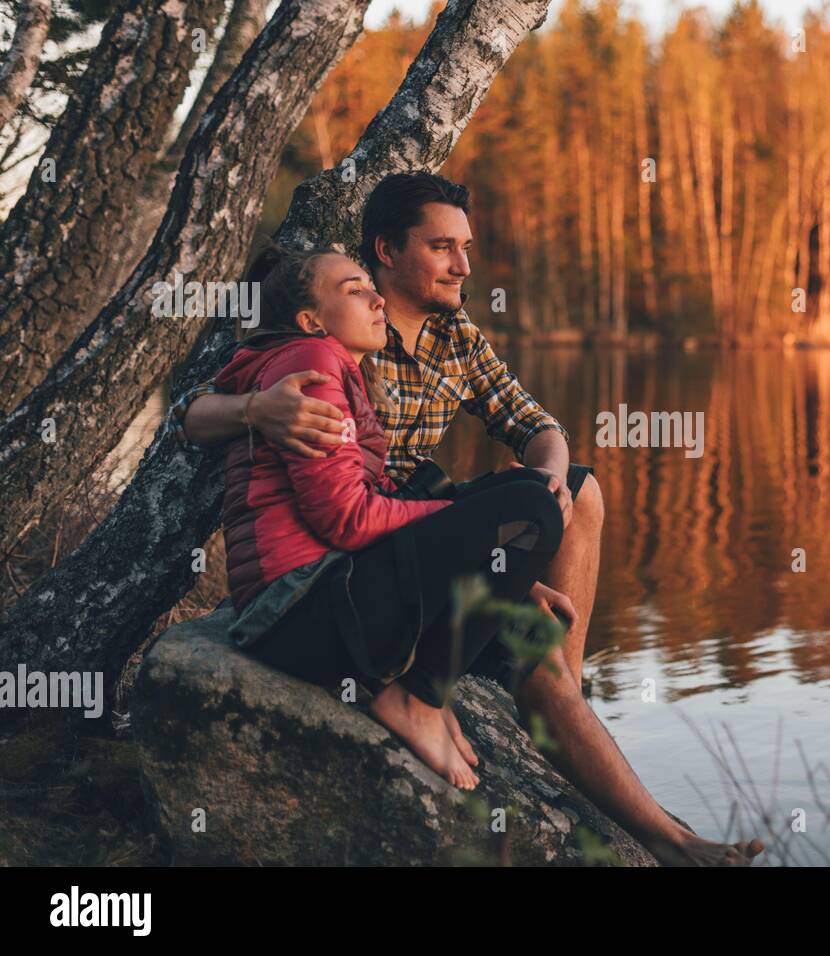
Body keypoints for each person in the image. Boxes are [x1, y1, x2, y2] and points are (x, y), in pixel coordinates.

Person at [171, 173, 763, 865]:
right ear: (388, 251)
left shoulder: (454, 338)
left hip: (407, 523)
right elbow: (195, 410)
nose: (465, 265)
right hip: (370, 546)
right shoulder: (328, 330)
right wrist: (255, 409)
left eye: (468, 247)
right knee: (517, 521)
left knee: (576, 492)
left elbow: (534, 423)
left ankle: (600, 748)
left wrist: (545, 485)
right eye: (445, 247)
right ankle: (524, 715)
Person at [216, 243, 567, 791]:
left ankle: (419, 687)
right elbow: (348, 521)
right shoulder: (310, 366)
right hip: (297, 612)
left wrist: (472, 529)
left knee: (526, 492)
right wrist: (460, 520)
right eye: (355, 291)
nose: (378, 299)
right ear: (310, 320)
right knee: (530, 509)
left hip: (316, 597)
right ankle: (419, 696)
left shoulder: (329, 365)